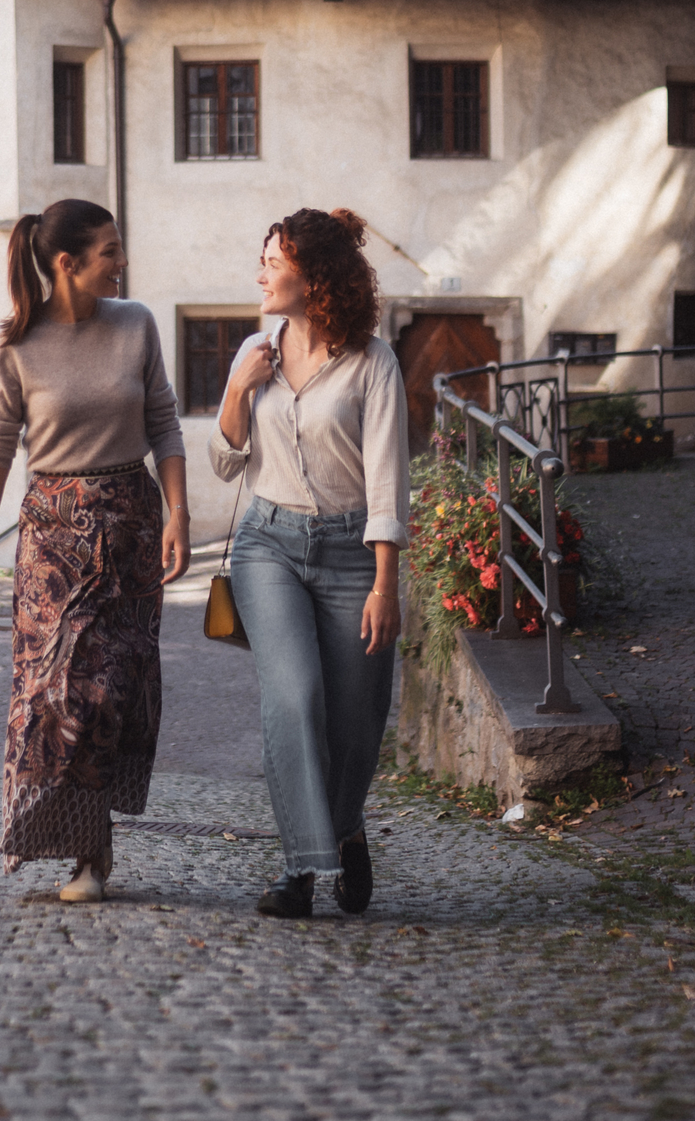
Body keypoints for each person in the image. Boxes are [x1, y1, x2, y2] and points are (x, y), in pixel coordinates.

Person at [0, 199, 189, 905]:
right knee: (54, 699)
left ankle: (92, 851)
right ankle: (81, 853)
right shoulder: (17, 347)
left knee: (109, 694)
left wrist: (178, 513)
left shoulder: (137, 324)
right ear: (67, 263)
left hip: (128, 535)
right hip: (51, 546)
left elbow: (163, 421)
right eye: (109, 251)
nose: (121, 263)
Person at [211, 208, 410, 918]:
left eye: (274, 260)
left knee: (356, 720)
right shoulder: (255, 348)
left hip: (354, 555)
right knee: (294, 696)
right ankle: (300, 867)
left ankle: (346, 826)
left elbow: (388, 479)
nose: (260, 272)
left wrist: (386, 582)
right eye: (263, 258)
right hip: (267, 545)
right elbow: (226, 457)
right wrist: (238, 387)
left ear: (315, 277)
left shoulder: (372, 363)